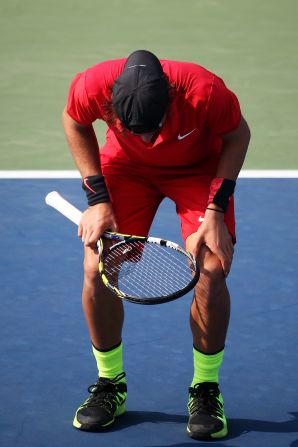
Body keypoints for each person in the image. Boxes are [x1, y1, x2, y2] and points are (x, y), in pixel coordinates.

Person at [62, 49, 250, 440]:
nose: (148, 139)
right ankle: (110, 383)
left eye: (154, 127)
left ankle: (205, 388)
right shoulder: (92, 84)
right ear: (111, 102)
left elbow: (237, 134)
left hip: (197, 169)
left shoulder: (204, 90)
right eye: (136, 130)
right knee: (96, 268)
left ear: (169, 97)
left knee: (211, 271)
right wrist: (97, 200)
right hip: (126, 169)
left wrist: (216, 209)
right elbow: (73, 121)